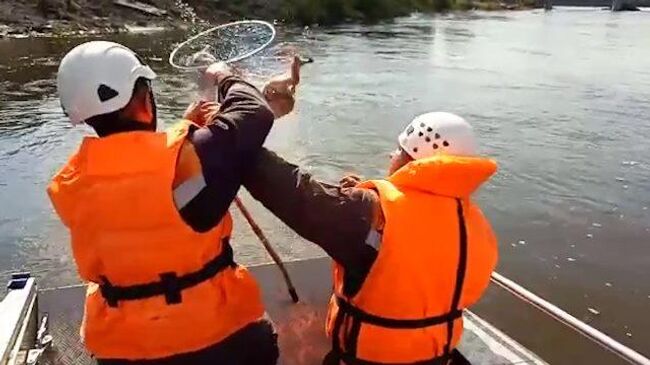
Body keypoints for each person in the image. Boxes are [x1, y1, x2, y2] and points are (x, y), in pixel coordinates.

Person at [47, 41, 298, 365]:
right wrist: (222, 76)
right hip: (218, 340)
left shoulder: (72, 181)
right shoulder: (188, 156)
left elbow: (137, 186)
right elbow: (255, 111)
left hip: (124, 350)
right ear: (143, 98)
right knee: (260, 341)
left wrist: (186, 129)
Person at [244, 112, 499, 364]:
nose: (392, 155)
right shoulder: (476, 224)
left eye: (398, 150)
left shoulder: (374, 212)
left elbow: (296, 194)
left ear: (412, 158)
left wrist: (237, 143)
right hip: (435, 356)